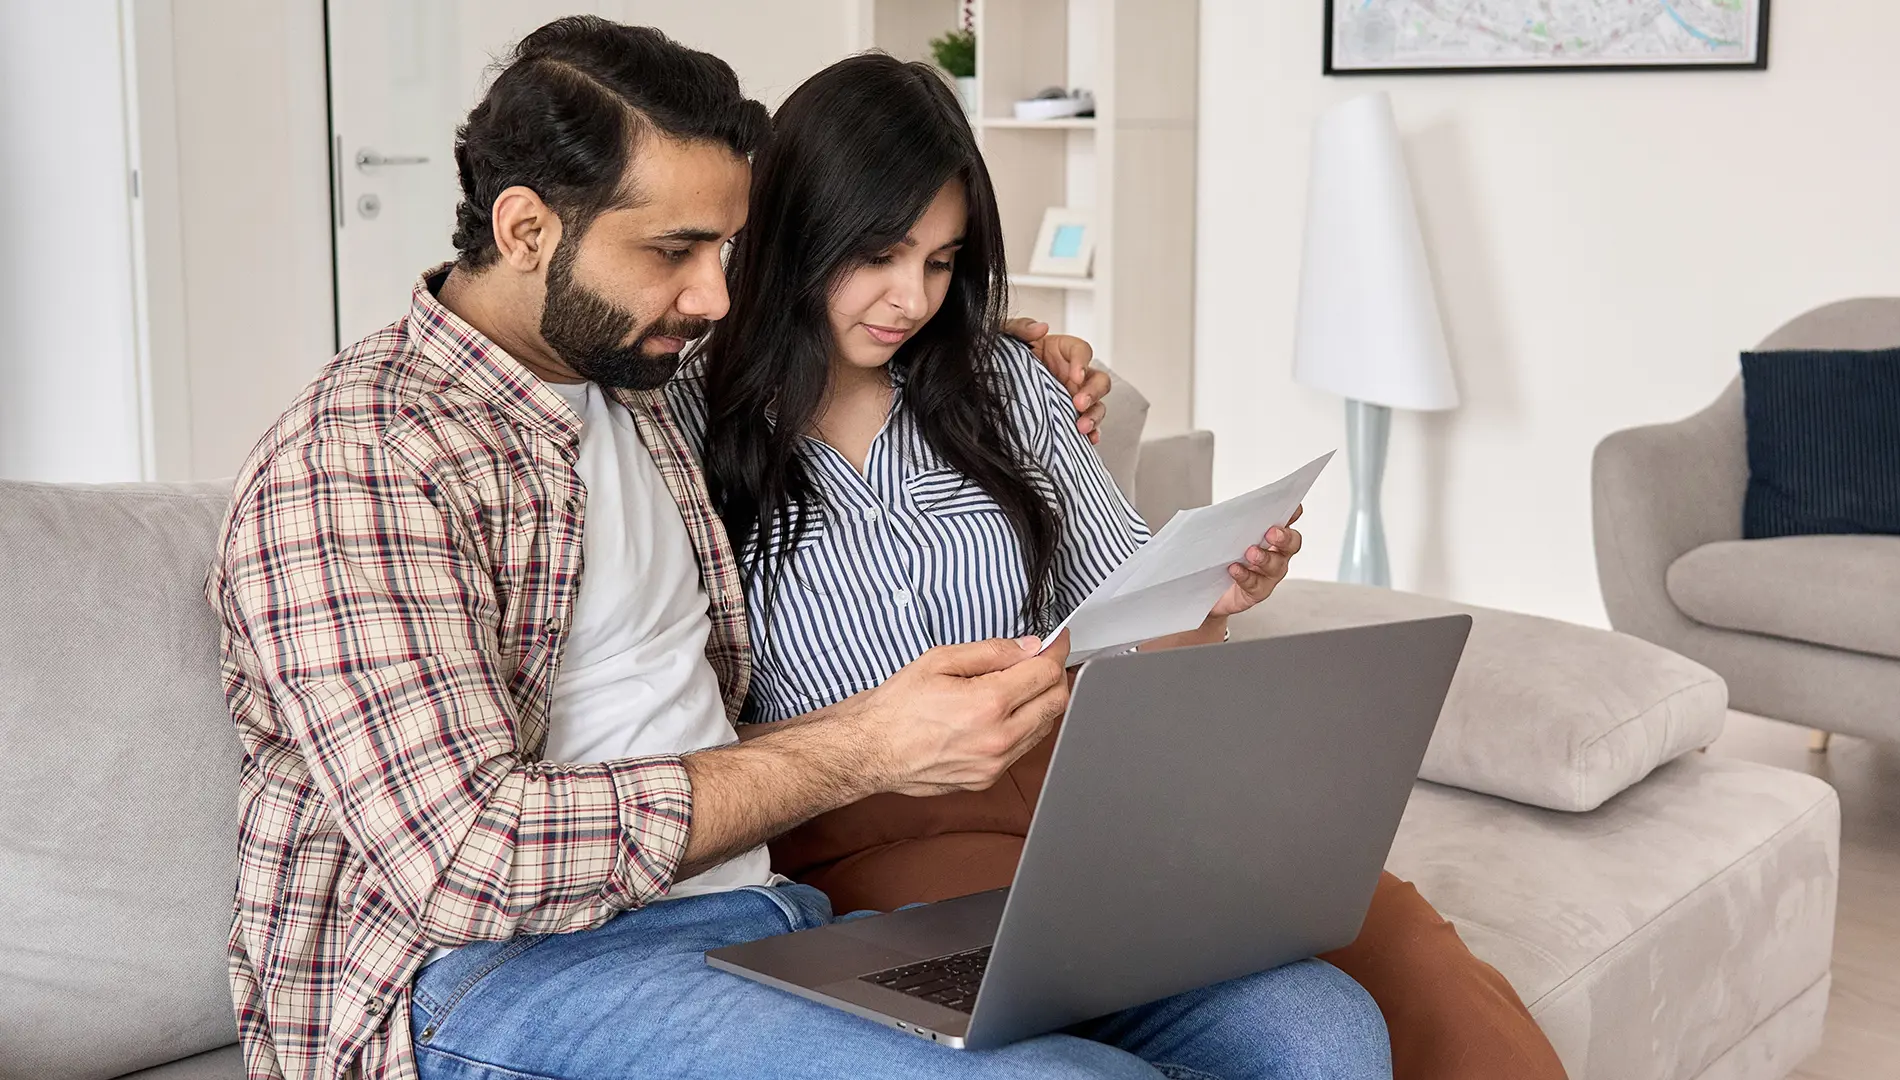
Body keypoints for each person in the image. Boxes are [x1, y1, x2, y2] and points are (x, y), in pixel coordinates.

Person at [206, 17, 1387, 1080]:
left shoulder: (641, 387)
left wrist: (1011, 345)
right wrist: (867, 746)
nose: (719, 296)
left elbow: (840, 342)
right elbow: (469, 861)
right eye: (675, 251)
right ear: (526, 229)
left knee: (1313, 1026)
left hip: (763, 910)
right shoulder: (358, 463)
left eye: (728, 248)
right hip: (499, 978)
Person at [673, 53, 1569, 1080]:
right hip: (871, 825)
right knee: (1262, 1012)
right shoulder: (690, 424)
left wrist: (1214, 588)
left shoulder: (1005, 381)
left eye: (941, 260)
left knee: (1399, 936)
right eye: (879, 254)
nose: (911, 296)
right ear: (799, 231)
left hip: (1085, 773)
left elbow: (1128, 601)